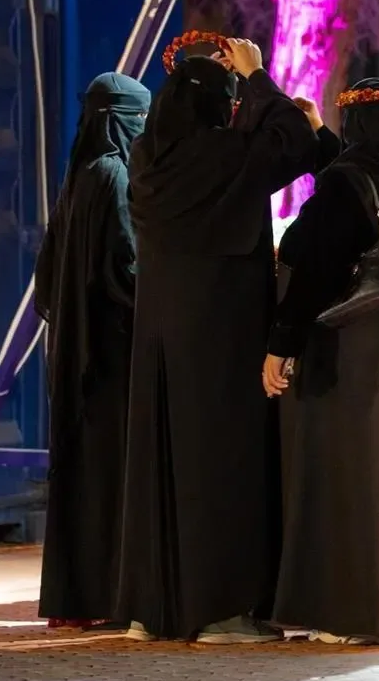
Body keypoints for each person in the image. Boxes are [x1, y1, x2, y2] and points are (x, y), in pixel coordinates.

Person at [118, 38, 320, 644]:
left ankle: (151, 608)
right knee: (220, 462)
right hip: (220, 331)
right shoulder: (219, 157)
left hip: (159, 333)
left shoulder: (145, 160)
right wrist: (258, 77)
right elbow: (296, 141)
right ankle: (220, 611)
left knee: (162, 462)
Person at [263, 79, 379, 646]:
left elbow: (308, 261)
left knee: (344, 474)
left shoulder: (345, 185)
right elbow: (361, 179)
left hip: (351, 342)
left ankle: (347, 612)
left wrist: (280, 343)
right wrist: (317, 133)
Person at [32, 72, 150, 630]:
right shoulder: (115, 175)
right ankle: (107, 596)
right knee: (110, 475)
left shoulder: (77, 177)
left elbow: (48, 278)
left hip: (75, 355)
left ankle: (73, 599)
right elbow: (127, 267)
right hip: (110, 355)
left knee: (79, 475)